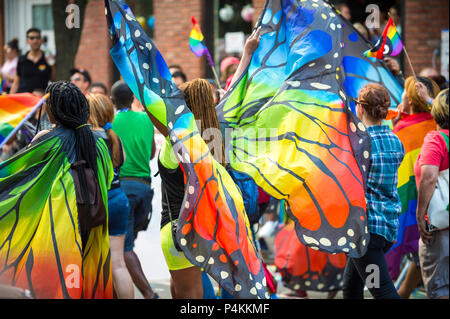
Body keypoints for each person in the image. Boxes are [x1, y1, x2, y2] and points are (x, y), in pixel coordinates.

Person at [0, 81, 113, 298]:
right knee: (88, 283)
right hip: (95, 221)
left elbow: (19, 173)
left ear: (53, 111)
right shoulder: (98, 142)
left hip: (60, 220)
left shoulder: (46, 140)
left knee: (60, 283)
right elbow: (106, 180)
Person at [343, 83, 405, 299]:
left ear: (360, 108)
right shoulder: (396, 141)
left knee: (382, 292)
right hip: (386, 226)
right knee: (350, 288)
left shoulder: (360, 143)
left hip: (366, 230)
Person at [387, 76, 441, 298]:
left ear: (409, 99)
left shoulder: (407, 131)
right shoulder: (437, 123)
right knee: (424, 259)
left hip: (421, 207)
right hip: (438, 206)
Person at [111, 80, 158, 299]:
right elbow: (151, 154)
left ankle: (149, 295)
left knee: (123, 249)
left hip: (123, 189)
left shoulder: (111, 123)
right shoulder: (146, 119)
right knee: (126, 244)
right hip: (144, 190)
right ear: (133, 98)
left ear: (112, 101)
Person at [87, 93, 134, 299]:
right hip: (118, 198)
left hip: (99, 201)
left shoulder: (89, 137)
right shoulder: (115, 138)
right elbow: (121, 162)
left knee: (92, 260)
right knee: (118, 262)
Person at [415, 89, 449, 299]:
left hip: (440, 228)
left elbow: (429, 177)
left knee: (441, 289)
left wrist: (420, 215)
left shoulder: (436, 139)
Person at [10, 28, 53, 94]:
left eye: (37, 37)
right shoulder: (21, 60)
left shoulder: (47, 59)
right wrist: (10, 99)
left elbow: (53, 80)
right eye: (32, 38)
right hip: (23, 99)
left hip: (41, 100)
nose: (35, 40)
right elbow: (16, 82)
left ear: (41, 40)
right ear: (27, 41)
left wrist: (52, 64)